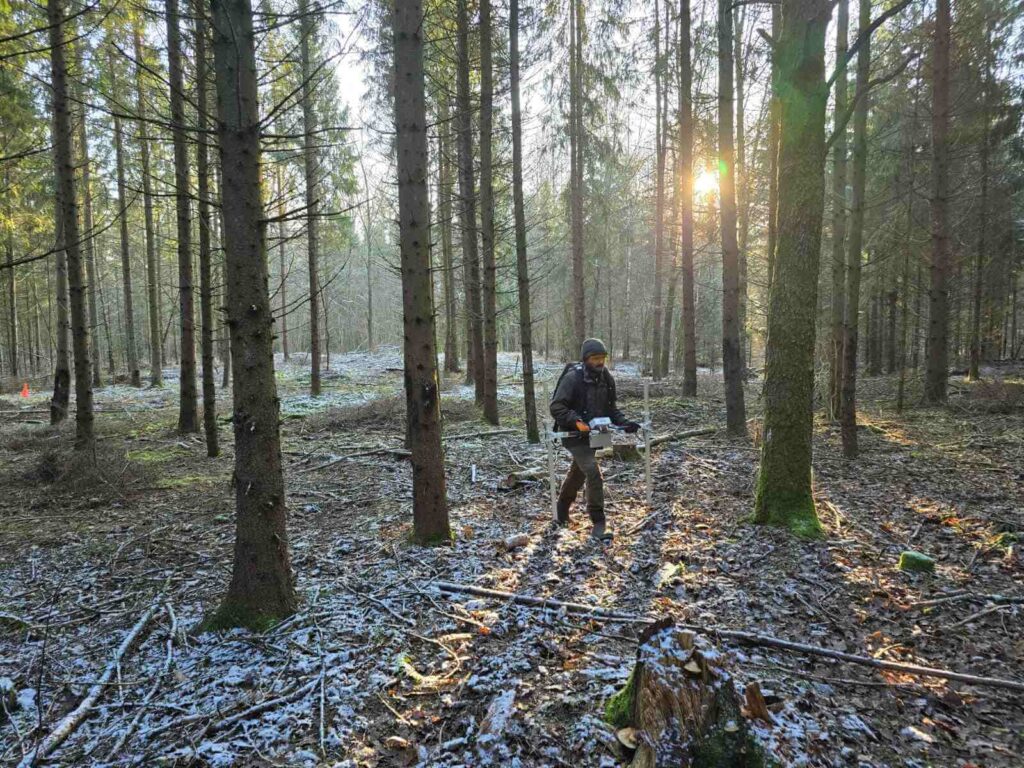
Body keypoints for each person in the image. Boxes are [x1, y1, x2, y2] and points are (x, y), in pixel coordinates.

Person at [550, 338, 641, 541]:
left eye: (602, 358)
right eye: (595, 358)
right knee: (592, 471)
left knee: (579, 473)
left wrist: (625, 423)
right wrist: (576, 421)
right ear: (586, 359)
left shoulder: (606, 378)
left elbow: (611, 408)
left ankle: (561, 511)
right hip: (573, 434)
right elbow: (556, 407)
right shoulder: (573, 378)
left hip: (597, 434)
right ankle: (598, 523)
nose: (600, 362)